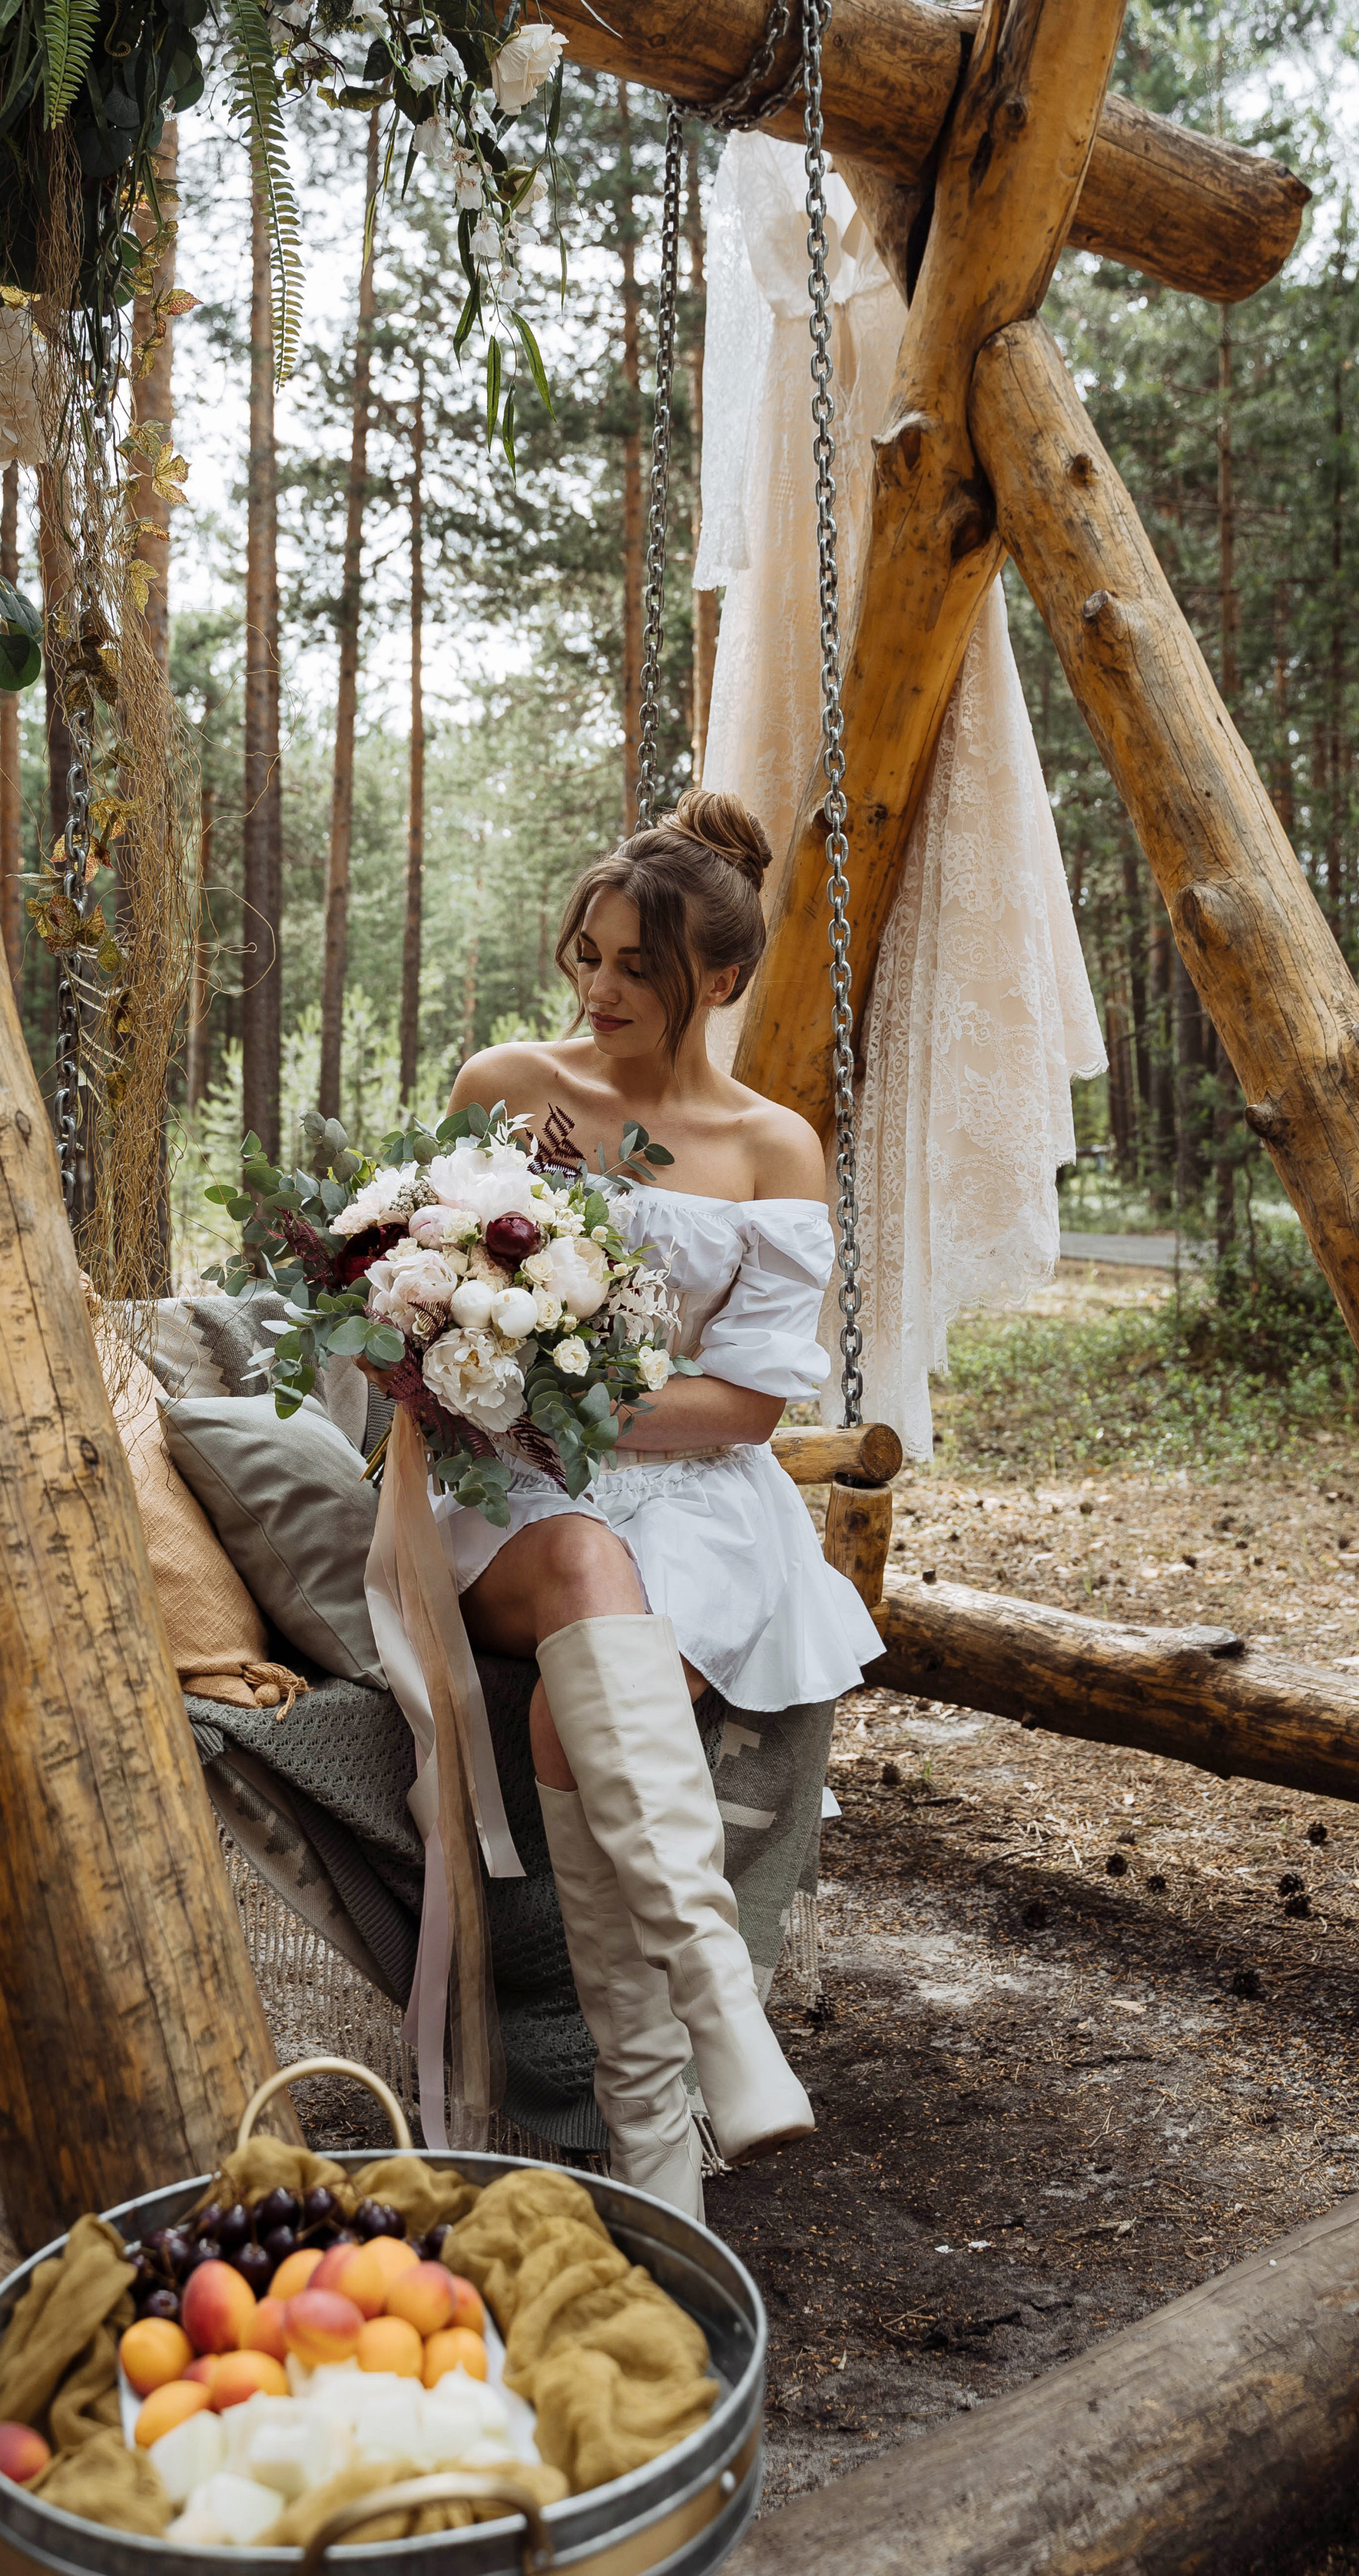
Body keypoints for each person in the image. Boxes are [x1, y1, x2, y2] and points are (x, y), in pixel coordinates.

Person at [440, 788, 883, 2216]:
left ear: (724, 979)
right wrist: (514, 1387)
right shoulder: (506, 1086)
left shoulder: (774, 1149)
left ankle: (652, 2161)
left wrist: (571, 1387)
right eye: (589, 953)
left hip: (701, 1493)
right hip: (509, 1482)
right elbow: (425, 1286)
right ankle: (721, 2018)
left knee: (582, 1693)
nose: (602, 987)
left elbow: (748, 1407)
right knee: (574, 1563)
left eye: (641, 965)